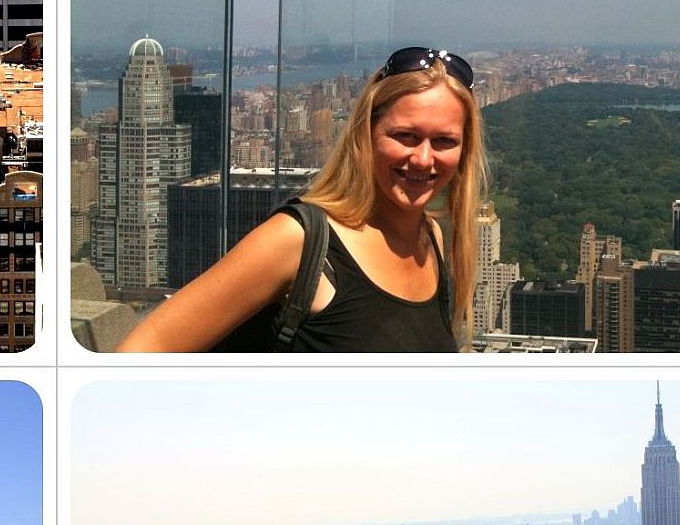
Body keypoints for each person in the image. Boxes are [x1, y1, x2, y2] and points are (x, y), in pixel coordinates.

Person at [117, 47, 488, 352]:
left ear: (464, 149)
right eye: (405, 136)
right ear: (367, 134)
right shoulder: (299, 242)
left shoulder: (433, 242)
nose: (424, 158)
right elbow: (142, 349)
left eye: (444, 141)